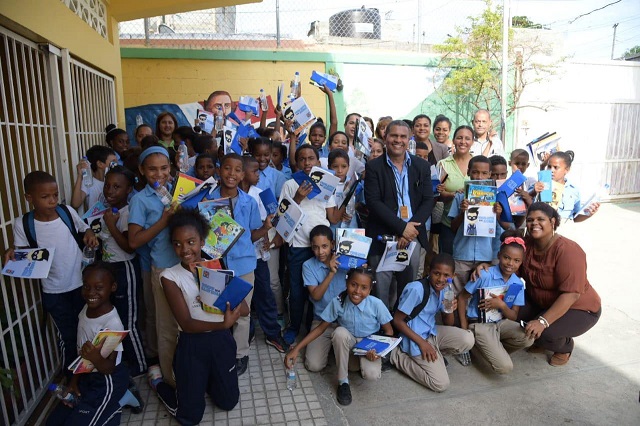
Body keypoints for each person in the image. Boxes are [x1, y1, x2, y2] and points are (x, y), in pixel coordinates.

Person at [474, 202, 602, 366]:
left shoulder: (568, 250)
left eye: (541, 219)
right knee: (510, 308)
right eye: (530, 219)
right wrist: (488, 268)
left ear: (553, 222)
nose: (534, 223)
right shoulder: (526, 245)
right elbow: (511, 269)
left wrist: (542, 321)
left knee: (544, 333)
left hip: (578, 308)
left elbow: (571, 295)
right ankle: (541, 336)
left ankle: (564, 346)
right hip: (540, 302)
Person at [156, 208, 244, 424]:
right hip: (192, 345)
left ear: (202, 242)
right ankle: (158, 383)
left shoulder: (217, 266)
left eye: (191, 242)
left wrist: (230, 301)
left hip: (221, 342)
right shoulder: (170, 276)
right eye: (177, 244)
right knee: (191, 417)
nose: (185, 249)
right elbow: (186, 324)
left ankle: (205, 381)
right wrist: (223, 325)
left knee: (229, 402)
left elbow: (245, 309)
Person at [7, 171, 98, 374]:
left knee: (89, 331)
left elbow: (84, 228)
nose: (52, 201)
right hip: (54, 291)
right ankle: (73, 377)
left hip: (82, 285)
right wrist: (12, 252)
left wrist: (89, 234)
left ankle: (94, 373)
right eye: (45, 197)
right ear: (29, 198)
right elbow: (23, 253)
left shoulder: (66, 212)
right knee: (67, 336)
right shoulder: (23, 223)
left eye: (55, 195)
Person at [285, 268, 393, 406]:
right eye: (353, 284)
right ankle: (343, 382)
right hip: (349, 342)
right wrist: (296, 349)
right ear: (346, 282)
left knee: (371, 375)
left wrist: (379, 352)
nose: (357, 291)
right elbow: (320, 328)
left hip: (368, 346)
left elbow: (389, 331)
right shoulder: (339, 302)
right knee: (340, 332)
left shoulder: (376, 304)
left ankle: (356, 364)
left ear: (370, 289)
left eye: (364, 287)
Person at [208, 153, 275, 374]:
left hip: (244, 265)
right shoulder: (209, 200)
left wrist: (265, 228)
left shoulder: (249, 202)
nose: (232, 174)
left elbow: (253, 234)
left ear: (243, 174)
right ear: (219, 170)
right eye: (227, 168)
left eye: (237, 170)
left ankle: (240, 354)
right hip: (216, 265)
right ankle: (221, 350)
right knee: (217, 310)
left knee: (242, 312)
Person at [46, 262, 129, 426]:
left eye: (98, 288)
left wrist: (94, 356)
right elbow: (82, 357)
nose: (91, 293)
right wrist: (73, 383)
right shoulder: (85, 309)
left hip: (107, 381)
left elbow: (109, 368)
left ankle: (114, 405)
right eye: (86, 287)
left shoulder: (112, 324)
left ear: (112, 287)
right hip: (87, 377)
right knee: (53, 423)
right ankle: (110, 405)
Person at [365, 120, 435, 309]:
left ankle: (402, 329)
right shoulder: (374, 167)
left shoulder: (421, 166)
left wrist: (409, 229)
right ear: (385, 137)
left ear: (409, 138)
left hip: (412, 237)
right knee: (381, 291)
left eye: (403, 136)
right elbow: (374, 202)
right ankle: (383, 331)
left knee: (407, 290)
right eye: (394, 135)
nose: (398, 140)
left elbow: (428, 199)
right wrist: (401, 228)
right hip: (383, 238)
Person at [279, 145, 344, 344]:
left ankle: (311, 328)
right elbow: (282, 218)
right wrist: (298, 196)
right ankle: (293, 327)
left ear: (318, 161)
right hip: (299, 246)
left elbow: (332, 218)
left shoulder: (326, 184)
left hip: (323, 247)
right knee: (297, 291)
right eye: (302, 159)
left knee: (320, 291)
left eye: (311, 158)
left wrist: (348, 202)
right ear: (296, 163)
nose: (307, 163)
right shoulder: (290, 185)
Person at [128, 146, 180, 387]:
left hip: (183, 264)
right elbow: (134, 240)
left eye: (164, 168)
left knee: (178, 318)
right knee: (162, 320)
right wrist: (163, 221)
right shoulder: (139, 200)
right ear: (141, 170)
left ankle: (178, 361)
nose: (159, 174)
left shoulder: (175, 190)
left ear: (170, 168)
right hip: (160, 266)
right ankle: (163, 370)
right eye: (152, 169)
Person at [390, 254, 474, 392]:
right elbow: (397, 320)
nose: (441, 279)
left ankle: (435, 355)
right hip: (413, 338)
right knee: (440, 384)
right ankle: (396, 356)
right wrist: (423, 344)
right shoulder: (416, 289)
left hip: (430, 333)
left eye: (446, 275)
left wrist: (450, 310)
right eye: (436, 273)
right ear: (429, 271)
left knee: (467, 338)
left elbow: (449, 323)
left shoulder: (446, 289)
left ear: (453, 276)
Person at [458, 233, 533, 374]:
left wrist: (502, 305)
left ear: (521, 262)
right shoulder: (485, 275)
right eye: (506, 258)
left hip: (500, 323)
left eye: (516, 260)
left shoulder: (517, 283)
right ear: (499, 255)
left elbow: (513, 316)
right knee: (505, 367)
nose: (511, 263)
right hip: (479, 324)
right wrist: (464, 330)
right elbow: (462, 298)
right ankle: (474, 346)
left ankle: (492, 347)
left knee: (528, 337)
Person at [99, 166, 147, 376]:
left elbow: (129, 246)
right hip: (108, 268)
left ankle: (139, 364)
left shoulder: (128, 212)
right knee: (116, 317)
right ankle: (125, 359)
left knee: (129, 320)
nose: (110, 190)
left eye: (117, 187)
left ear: (129, 190)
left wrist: (111, 225)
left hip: (125, 268)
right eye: (107, 185)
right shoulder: (103, 209)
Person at [240, 155, 289, 353]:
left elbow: (276, 219)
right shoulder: (227, 196)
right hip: (237, 258)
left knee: (265, 294)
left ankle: (272, 333)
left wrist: (272, 235)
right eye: (255, 171)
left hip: (258, 255)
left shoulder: (262, 194)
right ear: (242, 174)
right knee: (243, 298)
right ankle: (247, 332)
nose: (259, 175)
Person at [448, 155, 503, 295]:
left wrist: (498, 214)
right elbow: (452, 227)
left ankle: (472, 318)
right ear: (468, 172)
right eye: (475, 172)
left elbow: (501, 230)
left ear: (490, 175)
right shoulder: (460, 197)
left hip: (485, 256)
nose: (479, 176)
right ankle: (457, 317)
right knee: (457, 293)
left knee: (479, 296)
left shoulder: (496, 199)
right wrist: (462, 213)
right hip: (462, 255)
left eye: (484, 173)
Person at [301, 225, 348, 372]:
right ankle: (330, 347)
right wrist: (331, 273)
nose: (320, 252)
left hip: (345, 321)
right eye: (315, 247)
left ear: (333, 244)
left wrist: (362, 267)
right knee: (313, 365)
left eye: (324, 246)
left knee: (353, 367)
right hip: (321, 321)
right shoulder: (308, 266)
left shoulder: (346, 261)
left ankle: (336, 347)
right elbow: (316, 295)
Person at [436, 125, 475, 255]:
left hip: (474, 224)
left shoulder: (479, 164)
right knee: (447, 262)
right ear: (453, 140)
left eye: (467, 138)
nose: (463, 142)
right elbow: (437, 193)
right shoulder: (443, 164)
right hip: (449, 224)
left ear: (472, 142)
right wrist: (453, 195)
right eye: (459, 138)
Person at [532, 151, 600, 222]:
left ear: (566, 170)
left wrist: (588, 214)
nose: (551, 170)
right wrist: (534, 192)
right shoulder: (542, 185)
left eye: (556, 167)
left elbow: (575, 217)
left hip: (563, 229)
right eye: (549, 166)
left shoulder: (573, 190)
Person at [71, 145, 117, 210]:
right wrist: (80, 175)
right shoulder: (89, 182)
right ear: (100, 164)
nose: (116, 164)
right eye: (113, 161)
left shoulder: (116, 181)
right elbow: (75, 204)